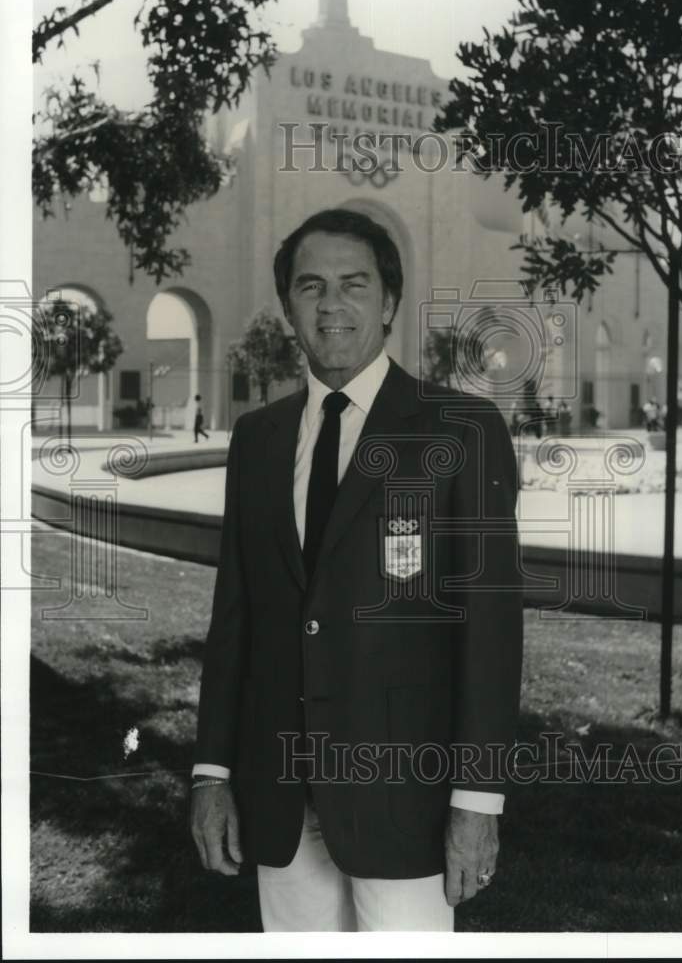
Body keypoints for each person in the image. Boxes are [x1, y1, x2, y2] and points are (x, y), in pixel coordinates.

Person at [190, 209, 523, 932]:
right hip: (277, 795)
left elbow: (491, 634)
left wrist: (478, 799)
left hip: (409, 802)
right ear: (287, 308)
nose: (331, 305)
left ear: (390, 302)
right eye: (310, 287)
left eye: (354, 284)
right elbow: (235, 619)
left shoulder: (460, 431)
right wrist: (212, 773)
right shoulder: (258, 438)